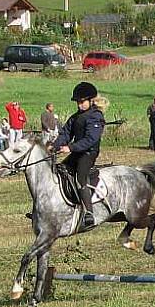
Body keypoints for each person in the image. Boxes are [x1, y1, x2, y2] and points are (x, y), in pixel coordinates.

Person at [53, 82, 105, 230]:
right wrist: (54, 146)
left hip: (88, 153)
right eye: (78, 102)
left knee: (80, 177)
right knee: (60, 171)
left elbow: (91, 139)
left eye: (82, 102)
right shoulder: (76, 117)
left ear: (90, 101)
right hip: (77, 152)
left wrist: (70, 147)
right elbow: (66, 133)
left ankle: (89, 212)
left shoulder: (95, 116)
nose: (79, 105)